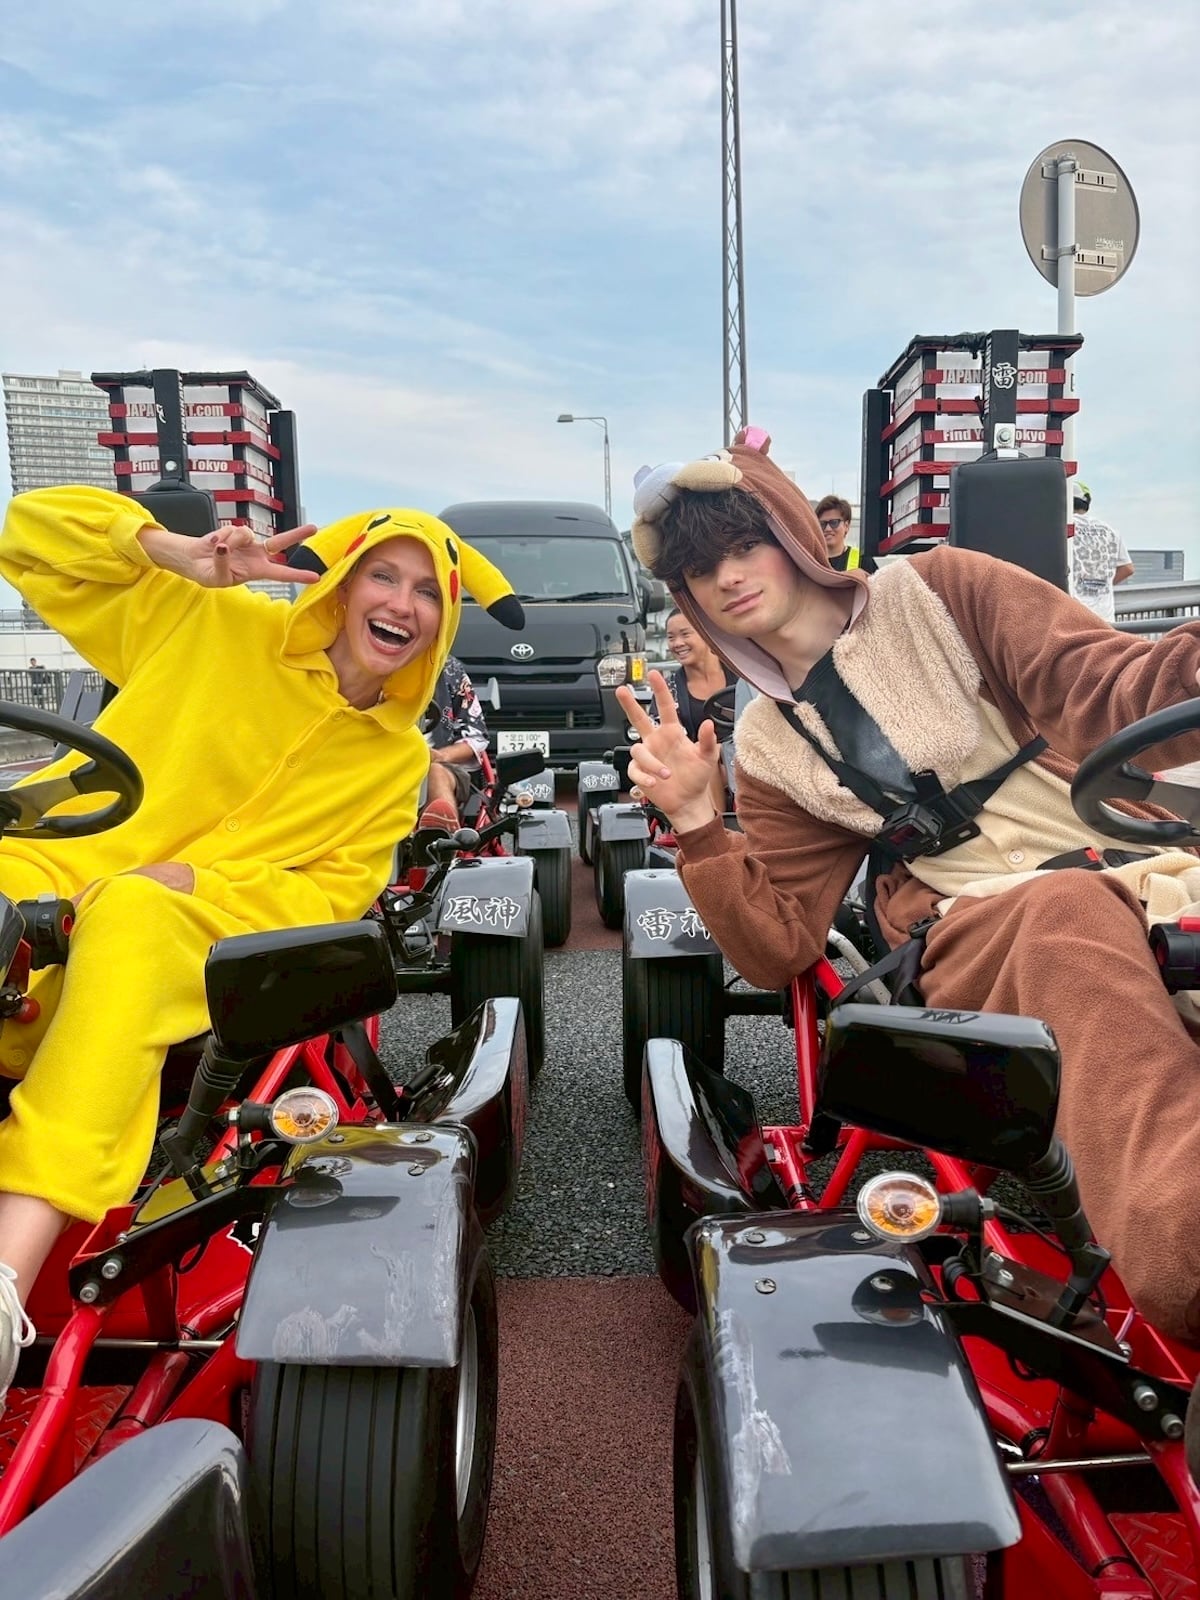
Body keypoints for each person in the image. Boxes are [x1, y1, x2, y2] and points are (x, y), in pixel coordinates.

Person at [617, 429, 1200, 1344]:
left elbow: (1110, 687)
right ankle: (1185, 1247)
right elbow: (779, 949)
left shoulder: (945, 592)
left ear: (793, 532)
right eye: (699, 571)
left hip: (1147, 861)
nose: (726, 578)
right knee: (1067, 916)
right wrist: (699, 825)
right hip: (981, 918)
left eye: (743, 544)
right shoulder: (767, 749)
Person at [0, 485, 522, 1410]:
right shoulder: (210, 622)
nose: (400, 603)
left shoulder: (395, 762)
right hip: (44, 885)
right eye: (382, 576)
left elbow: (331, 894)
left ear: (440, 625)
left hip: (189, 931)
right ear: (341, 587)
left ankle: (7, 1283)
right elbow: (27, 534)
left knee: (130, 919)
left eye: (424, 591)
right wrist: (165, 549)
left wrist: (187, 883)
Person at [659, 607, 736, 812]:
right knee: (707, 758)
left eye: (685, 634)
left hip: (747, 755)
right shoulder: (669, 691)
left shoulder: (745, 676)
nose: (677, 643)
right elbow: (665, 742)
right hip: (696, 767)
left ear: (706, 632)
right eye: (671, 637)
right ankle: (721, 828)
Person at [418, 655, 490, 831]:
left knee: (435, 773)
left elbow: (477, 736)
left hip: (441, 766)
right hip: (381, 764)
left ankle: (444, 842)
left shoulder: (450, 668)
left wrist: (440, 755)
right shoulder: (368, 665)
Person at [1069, 481, 1134, 622]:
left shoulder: (1064, 527)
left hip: (1075, 614)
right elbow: (1127, 568)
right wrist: (1102, 585)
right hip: (1105, 616)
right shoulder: (1110, 530)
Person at [813, 493, 876, 574]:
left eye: (834, 523)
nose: (828, 529)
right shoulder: (811, 561)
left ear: (846, 526)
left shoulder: (862, 560)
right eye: (822, 524)